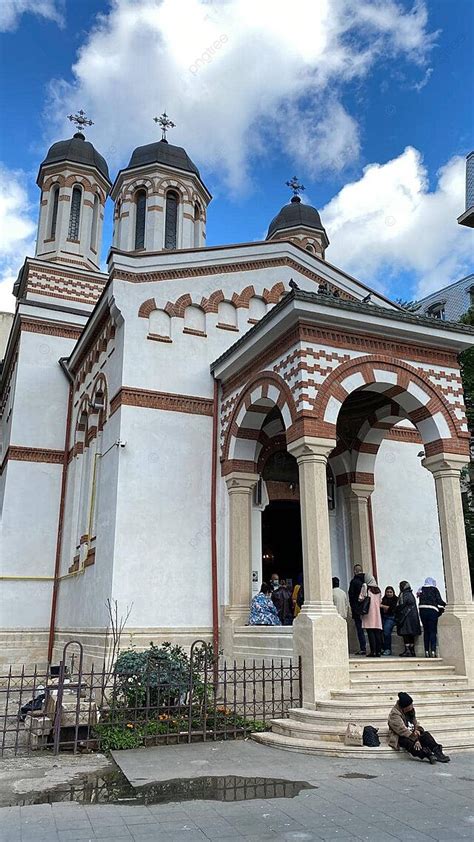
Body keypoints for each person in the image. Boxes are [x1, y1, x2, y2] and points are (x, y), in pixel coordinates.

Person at [388, 692, 450, 763]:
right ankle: (428, 754)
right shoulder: (394, 715)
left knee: (426, 735)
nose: (412, 706)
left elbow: (415, 722)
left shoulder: (410, 710)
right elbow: (402, 731)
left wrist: (418, 729)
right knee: (410, 743)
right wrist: (416, 739)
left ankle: (438, 753)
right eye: (410, 706)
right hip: (400, 736)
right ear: (404, 707)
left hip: (412, 733)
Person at [417, 577, 446, 658]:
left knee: (426, 631)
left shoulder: (421, 589)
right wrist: (446, 605)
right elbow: (439, 601)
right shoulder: (434, 589)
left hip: (422, 610)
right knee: (432, 631)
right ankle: (433, 651)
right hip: (432, 611)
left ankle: (426, 651)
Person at [358, 576, 383, 657]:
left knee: (370, 632)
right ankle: (378, 651)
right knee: (377, 632)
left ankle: (373, 651)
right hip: (377, 613)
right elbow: (380, 601)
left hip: (369, 612)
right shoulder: (378, 590)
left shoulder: (365, 586)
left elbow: (361, 598)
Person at [396, 581, 422, 657]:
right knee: (411, 634)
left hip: (405, 617)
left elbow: (400, 605)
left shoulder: (403, 594)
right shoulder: (411, 594)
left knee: (406, 634)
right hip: (413, 617)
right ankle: (412, 650)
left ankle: (407, 650)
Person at [348, 564, 367, 655]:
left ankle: (363, 648)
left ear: (355, 571)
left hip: (357, 609)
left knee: (360, 629)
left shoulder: (354, 581)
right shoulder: (367, 581)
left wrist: (353, 607)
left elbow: (351, 596)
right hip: (367, 609)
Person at [380, 585, 398, 655]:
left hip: (391, 618)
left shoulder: (396, 599)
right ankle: (382, 647)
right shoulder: (384, 599)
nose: (389, 593)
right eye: (387, 592)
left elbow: (392, 609)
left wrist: (383, 606)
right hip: (384, 617)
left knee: (386, 631)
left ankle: (387, 649)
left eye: (390, 592)